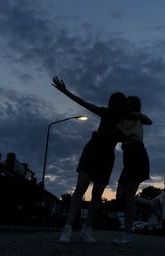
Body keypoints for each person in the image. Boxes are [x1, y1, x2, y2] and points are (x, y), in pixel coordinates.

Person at [52, 76, 126, 243]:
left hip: (107, 157)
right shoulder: (105, 113)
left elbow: (143, 123)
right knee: (81, 187)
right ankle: (68, 228)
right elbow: (85, 103)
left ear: (123, 105)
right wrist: (66, 92)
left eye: (117, 102)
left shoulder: (126, 121)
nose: (113, 104)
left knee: (97, 194)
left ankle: (87, 229)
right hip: (93, 150)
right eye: (112, 101)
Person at [111, 96, 153, 244]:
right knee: (120, 196)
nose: (127, 107)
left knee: (129, 196)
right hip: (128, 157)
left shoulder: (138, 120)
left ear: (134, 107)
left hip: (138, 153)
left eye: (130, 105)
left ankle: (127, 234)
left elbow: (149, 121)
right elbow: (115, 135)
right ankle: (150, 204)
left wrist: (137, 114)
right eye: (126, 105)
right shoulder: (122, 122)